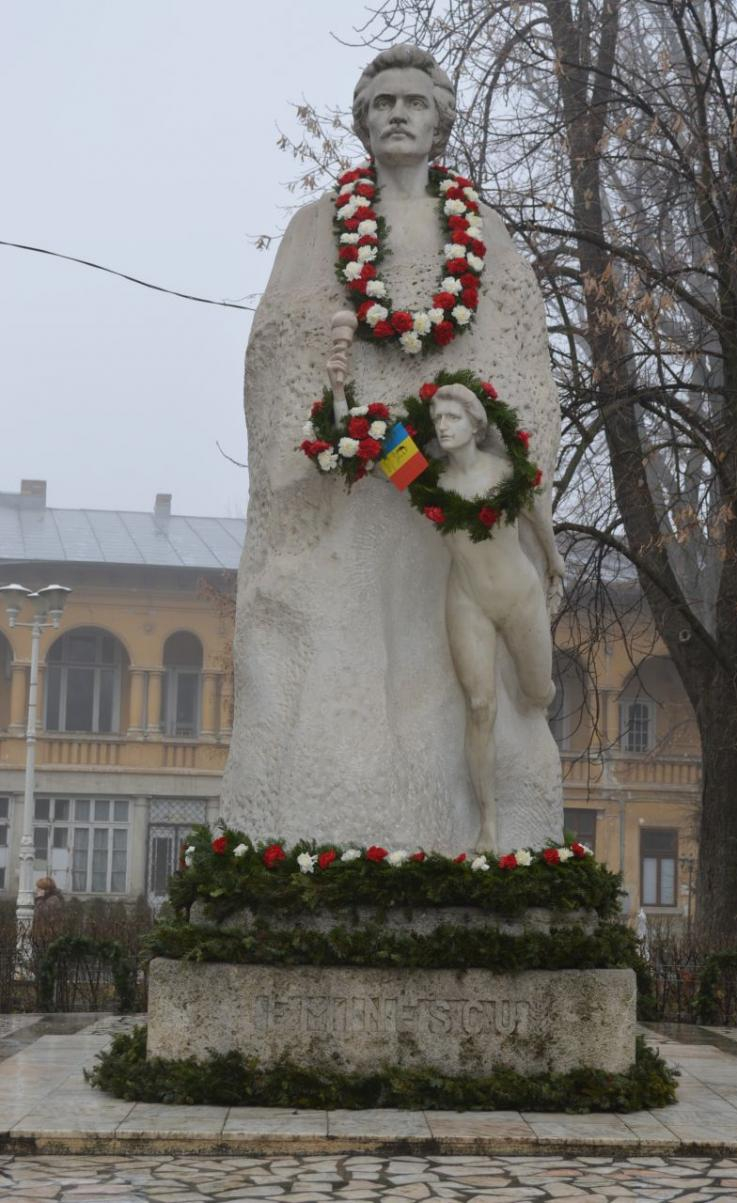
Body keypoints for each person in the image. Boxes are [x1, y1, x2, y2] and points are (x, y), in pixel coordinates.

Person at [222, 45, 565, 852]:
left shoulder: (484, 232)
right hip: (358, 491)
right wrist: (342, 416)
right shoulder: (318, 227)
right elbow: (276, 341)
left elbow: (519, 361)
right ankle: (312, 836)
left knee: (482, 689)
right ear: (364, 120)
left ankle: (482, 833)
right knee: (339, 654)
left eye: (414, 101)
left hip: (452, 505)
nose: (398, 113)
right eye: (382, 103)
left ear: (440, 119)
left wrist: (483, 450)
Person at [430, 384, 561, 848]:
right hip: (467, 601)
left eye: (452, 418)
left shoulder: (505, 472)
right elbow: (369, 451)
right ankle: (488, 823)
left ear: (476, 424)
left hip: (519, 596)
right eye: (437, 418)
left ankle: (540, 686)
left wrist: (555, 564)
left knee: (535, 693)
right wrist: (342, 392)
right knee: (481, 707)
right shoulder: (431, 483)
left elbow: (537, 517)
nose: (442, 426)